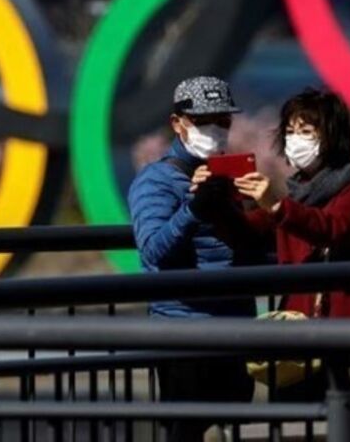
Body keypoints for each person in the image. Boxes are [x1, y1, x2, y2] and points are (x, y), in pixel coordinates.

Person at [213, 87, 350, 400]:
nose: (295, 140)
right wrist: (215, 198)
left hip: (341, 331)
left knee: (341, 412)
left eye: (306, 131)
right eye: (290, 131)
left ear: (332, 136)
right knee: (295, 412)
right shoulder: (298, 194)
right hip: (296, 332)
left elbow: (330, 228)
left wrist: (276, 206)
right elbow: (248, 232)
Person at [127, 75, 261, 440]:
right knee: (187, 431)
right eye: (203, 121)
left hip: (236, 329)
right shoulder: (155, 181)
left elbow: (252, 251)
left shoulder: (230, 177)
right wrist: (195, 207)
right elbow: (154, 250)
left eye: (223, 120)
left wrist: (261, 208)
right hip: (184, 332)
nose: (215, 130)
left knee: (233, 431)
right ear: (178, 123)